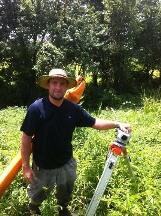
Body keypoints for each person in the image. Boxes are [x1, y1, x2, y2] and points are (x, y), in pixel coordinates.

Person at [20, 68, 131, 216]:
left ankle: (63, 209)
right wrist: (26, 167)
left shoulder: (72, 109)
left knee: (65, 192)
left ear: (67, 87)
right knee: (37, 195)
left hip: (66, 163)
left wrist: (117, 124)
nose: (58, 87)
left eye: (62, 83)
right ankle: (34, 208)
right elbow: (26, 138)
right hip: (43, 166)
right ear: (48, 85)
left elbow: (95, 122)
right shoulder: (36, 108)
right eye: (54, 83)